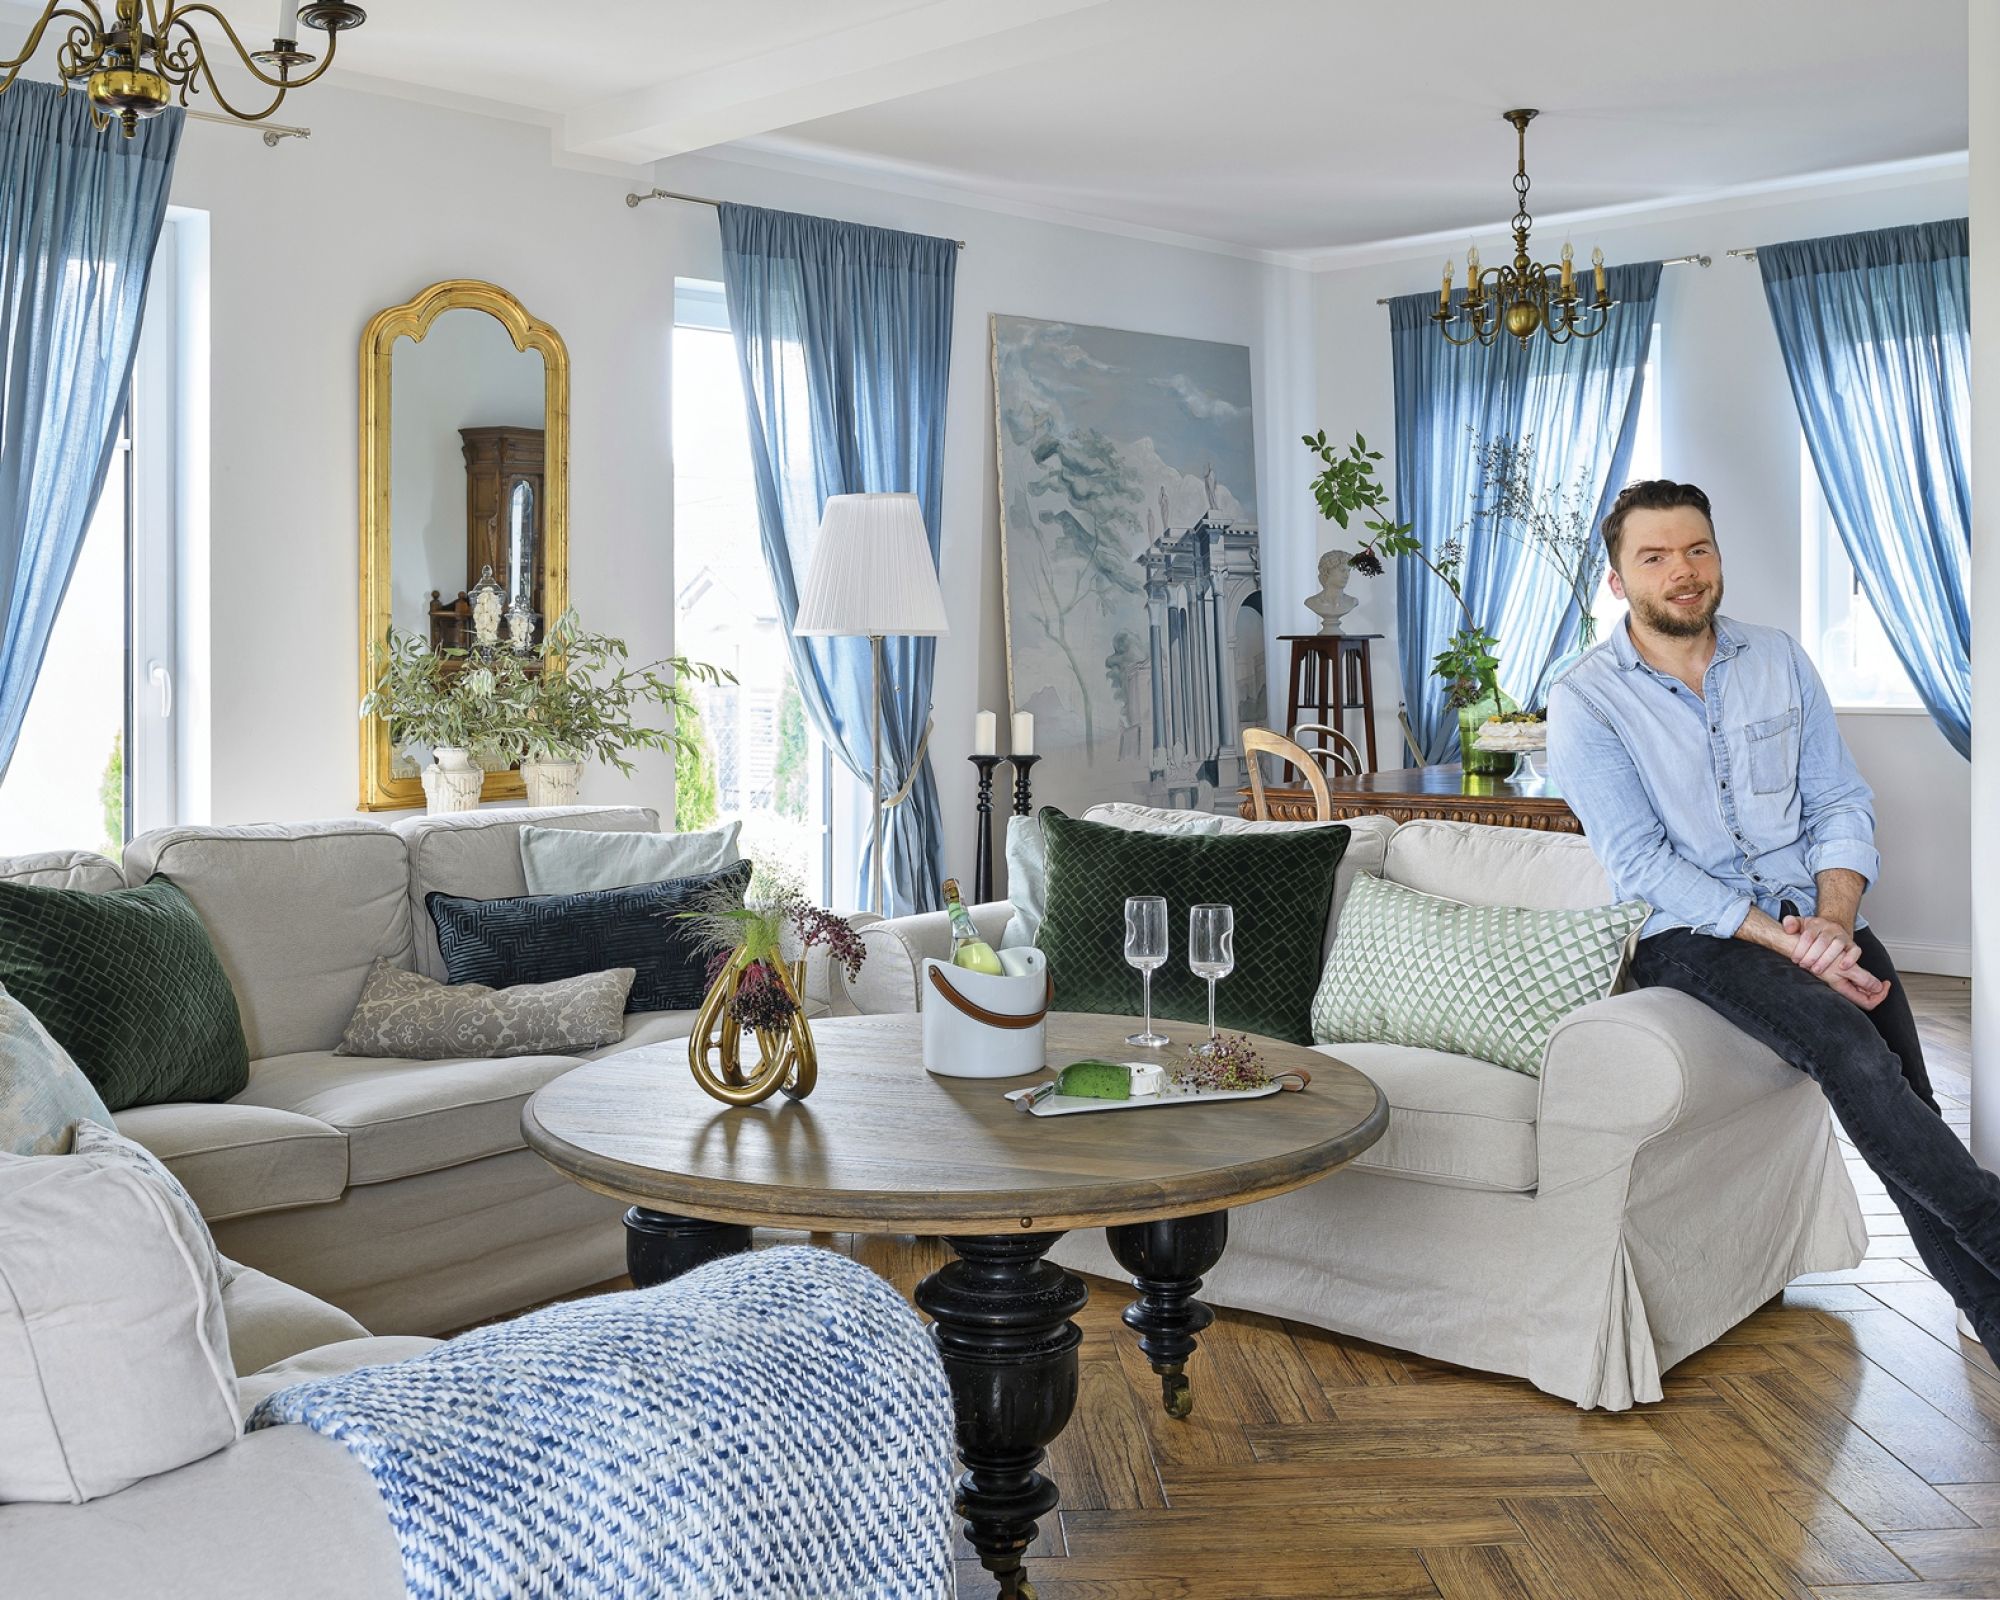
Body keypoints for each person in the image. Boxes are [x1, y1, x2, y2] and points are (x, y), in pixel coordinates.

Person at [1546, 478, 2000, 1361]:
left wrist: (1834, 922)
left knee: (1911, 1102)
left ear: (1717, 556)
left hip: (1812, 918)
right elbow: (1642, 864)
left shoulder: (1779, 659)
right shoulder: (1587, 700)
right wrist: (1787, 943)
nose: (1683, 571)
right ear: (1617, 581)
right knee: (1850, 1051)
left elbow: (1839, 801)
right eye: (1655, 557)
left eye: (1697, 549)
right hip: (1693, 935)